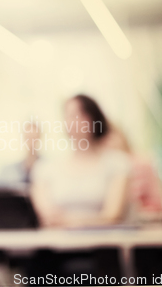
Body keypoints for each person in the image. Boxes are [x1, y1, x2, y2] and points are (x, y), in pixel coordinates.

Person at [31, 94, 131, 228]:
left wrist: (69, 221)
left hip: (105, 243)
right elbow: (46, 216)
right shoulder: (45, 169)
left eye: (80, 115)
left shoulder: (117, 163)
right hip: (58, 245)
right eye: (69, 115)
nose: (73, 121)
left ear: (94, 119)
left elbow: (113, 215)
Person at [0, 122, 40, 190]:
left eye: (34, 138)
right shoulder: (8, 172)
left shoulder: (49, 169)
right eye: (28, 138)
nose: (31, 143)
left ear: (39, 138)